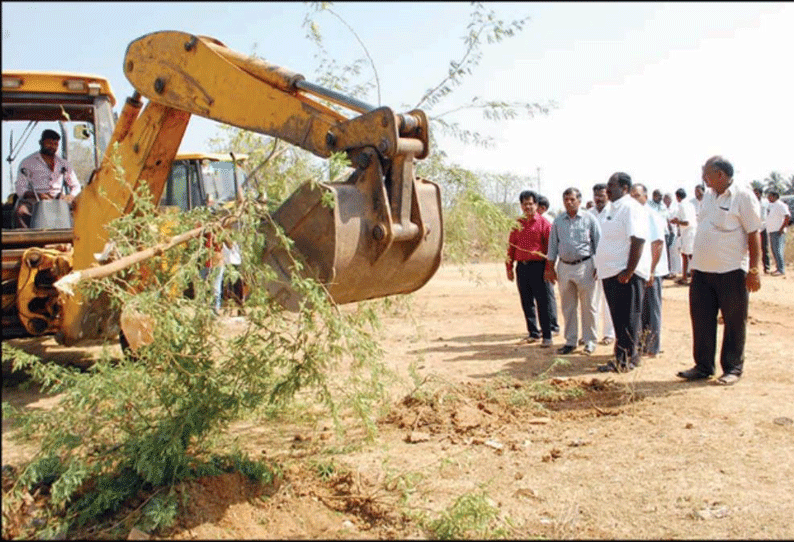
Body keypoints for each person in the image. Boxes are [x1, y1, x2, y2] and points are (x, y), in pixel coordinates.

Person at [677, 156, 762, 385]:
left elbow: (754, 233)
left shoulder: (743, 196)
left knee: (734, 321)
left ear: (720, 175)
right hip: (703, 272)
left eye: (706, 174)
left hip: (731, 270)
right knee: (702, 319)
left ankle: (733, 368)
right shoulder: (708, 196)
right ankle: (703, 366)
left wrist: (754, 269)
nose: (703, 178)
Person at [593, 172, 649, 372]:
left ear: (625, 188)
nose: (607, 189)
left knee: (628, 319)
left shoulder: (630, 207)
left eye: (612, 185)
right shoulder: (612, 208)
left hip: (625, 275)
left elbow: (638, 240)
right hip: (610, 273)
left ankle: (625, 361)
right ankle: (624, 358)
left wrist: (629, 270)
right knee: (619, 319)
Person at [544, 187, 601, 355]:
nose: (569, 202)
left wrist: (599, 266)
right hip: (564, 267)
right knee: (568, 306)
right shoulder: (558, 221)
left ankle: (590, 341)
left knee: (588, 306)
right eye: (566, 199)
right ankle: (570, 341)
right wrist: (550, 268)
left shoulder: (589, 219)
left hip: (585, 266)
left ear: (579, 201)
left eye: (572, 199)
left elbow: (598, 244)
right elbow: (553, 245)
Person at [506, 190, 554, 347]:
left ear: (537, 205)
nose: (528, 207)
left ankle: (547, 335)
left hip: (539, 267)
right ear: (521, 205)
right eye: (524, 204)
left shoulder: (544, 224)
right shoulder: (517, 224)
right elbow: (511, 247)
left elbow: (550, 249)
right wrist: (509, 267)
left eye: (531, 203)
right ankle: (533, 333)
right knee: (526, 301)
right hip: (522, 267)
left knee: (543, 302)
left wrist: (549, 269)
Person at [14, 129, 81, 228]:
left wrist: (70, 196)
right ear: (40, 142)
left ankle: (72, 239)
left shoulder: (64, 164)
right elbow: (20, 190)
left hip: (59, 199)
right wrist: (39, 195)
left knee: (83, 209)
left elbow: (76, 186)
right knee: (21, 211)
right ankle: (29, 241)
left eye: (55, 144)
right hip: (34, 200)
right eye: (49, 143)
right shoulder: (27, 162)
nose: (52, 147)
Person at [630, 183, 668, 358]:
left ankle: (652, 348)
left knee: (652, 309)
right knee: (640, 309)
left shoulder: (652, 215)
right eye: (631, 196)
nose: (634, 199)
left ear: (645, 196)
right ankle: (641, 345)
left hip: (652, 270)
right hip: (639, 270)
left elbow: (657, 243)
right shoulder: (634, 215)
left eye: (637, 195)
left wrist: (652, 270)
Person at [589, 183, 615, 346]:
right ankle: (590, 334)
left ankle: (609, 334)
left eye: (602, 195)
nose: (598, 198)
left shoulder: (614, 212)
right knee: (591, 301)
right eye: (596, 195)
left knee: (608, 301)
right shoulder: (588, 214)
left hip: (609, 263)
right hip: (590, 264)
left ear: (608, 195)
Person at [536, 195, 560, 335]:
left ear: (542, 208)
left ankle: (553, 325)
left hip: (548, 262)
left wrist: (551, 266)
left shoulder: (548, 221)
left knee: (548, 294)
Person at [671, 188, 697, 285]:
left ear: (677, 197)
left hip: (688, 233)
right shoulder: (690, 204)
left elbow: (686, 222)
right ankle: (685, 277)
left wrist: (676, 222)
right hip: (688, 233)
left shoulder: (682, 205)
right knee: (684, 255)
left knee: (690, 256)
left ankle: (695, 279)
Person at [766, 190, 791, 276]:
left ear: (775, 196)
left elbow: (787, 216)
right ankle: (778, 268)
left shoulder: (781, 205)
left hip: (778, 231)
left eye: (770, 196)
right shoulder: (772, 205)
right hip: (772, 231)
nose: (768, 198)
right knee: (774, 250)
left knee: (778, 250)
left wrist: (782, 228)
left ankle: (781, 269)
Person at [663, 192, 681, 279]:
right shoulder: (663, 209)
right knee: (667, 251)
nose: (664, 200)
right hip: (665, 232)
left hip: (673, 231)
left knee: (672, 250)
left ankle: (674, 270)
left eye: (666, 199)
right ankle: (669, 269)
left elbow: (676, 220)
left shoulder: (674, 209)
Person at [753, 187, 771, 274]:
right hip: (753, 228)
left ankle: (766, 267)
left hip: (763, 227)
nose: (755, 195)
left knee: (765, 248)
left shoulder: (766, 202)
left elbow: (770, 212)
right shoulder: (750, 201)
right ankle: (752, 268)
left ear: (760, 194)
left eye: (756, 193)